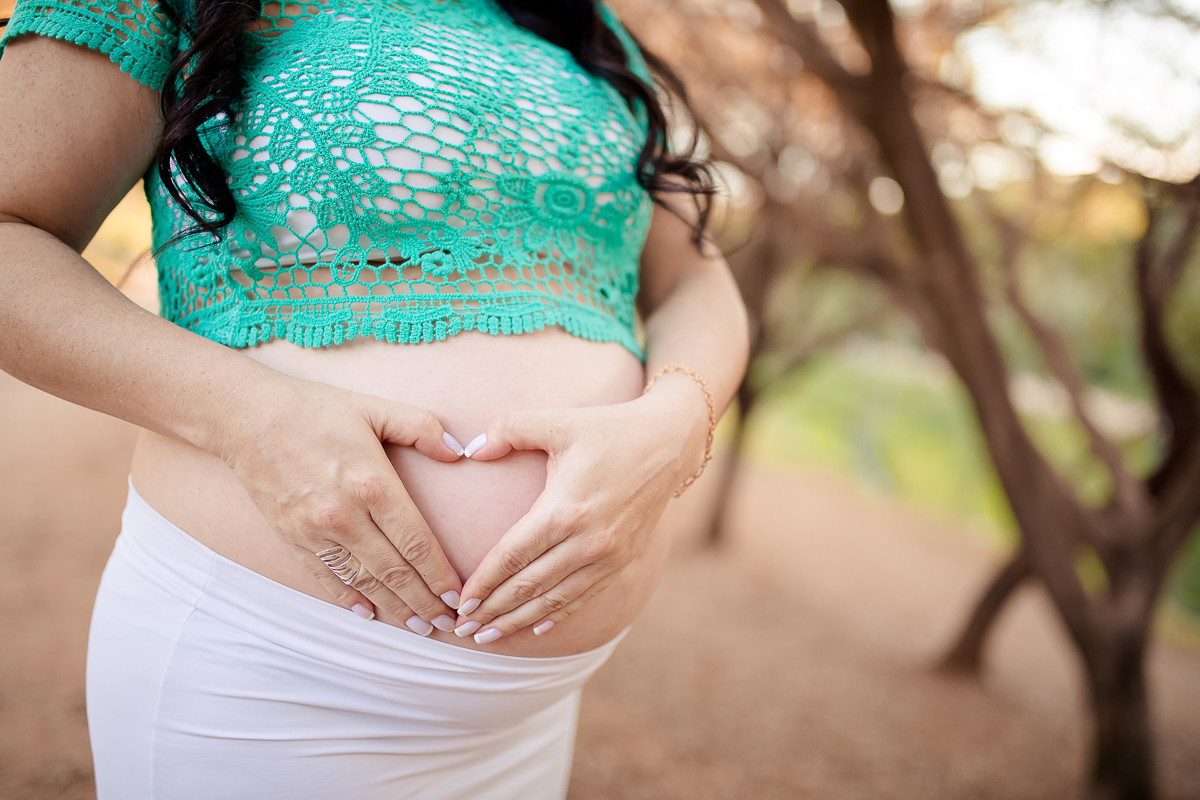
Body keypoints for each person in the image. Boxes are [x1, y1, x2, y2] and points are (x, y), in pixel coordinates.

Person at [0, 0, 749, 795]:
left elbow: (697, 281)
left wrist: (676, 427)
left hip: (524, 721)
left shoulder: (581, 29)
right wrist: (247, 415)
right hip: (268, 680)